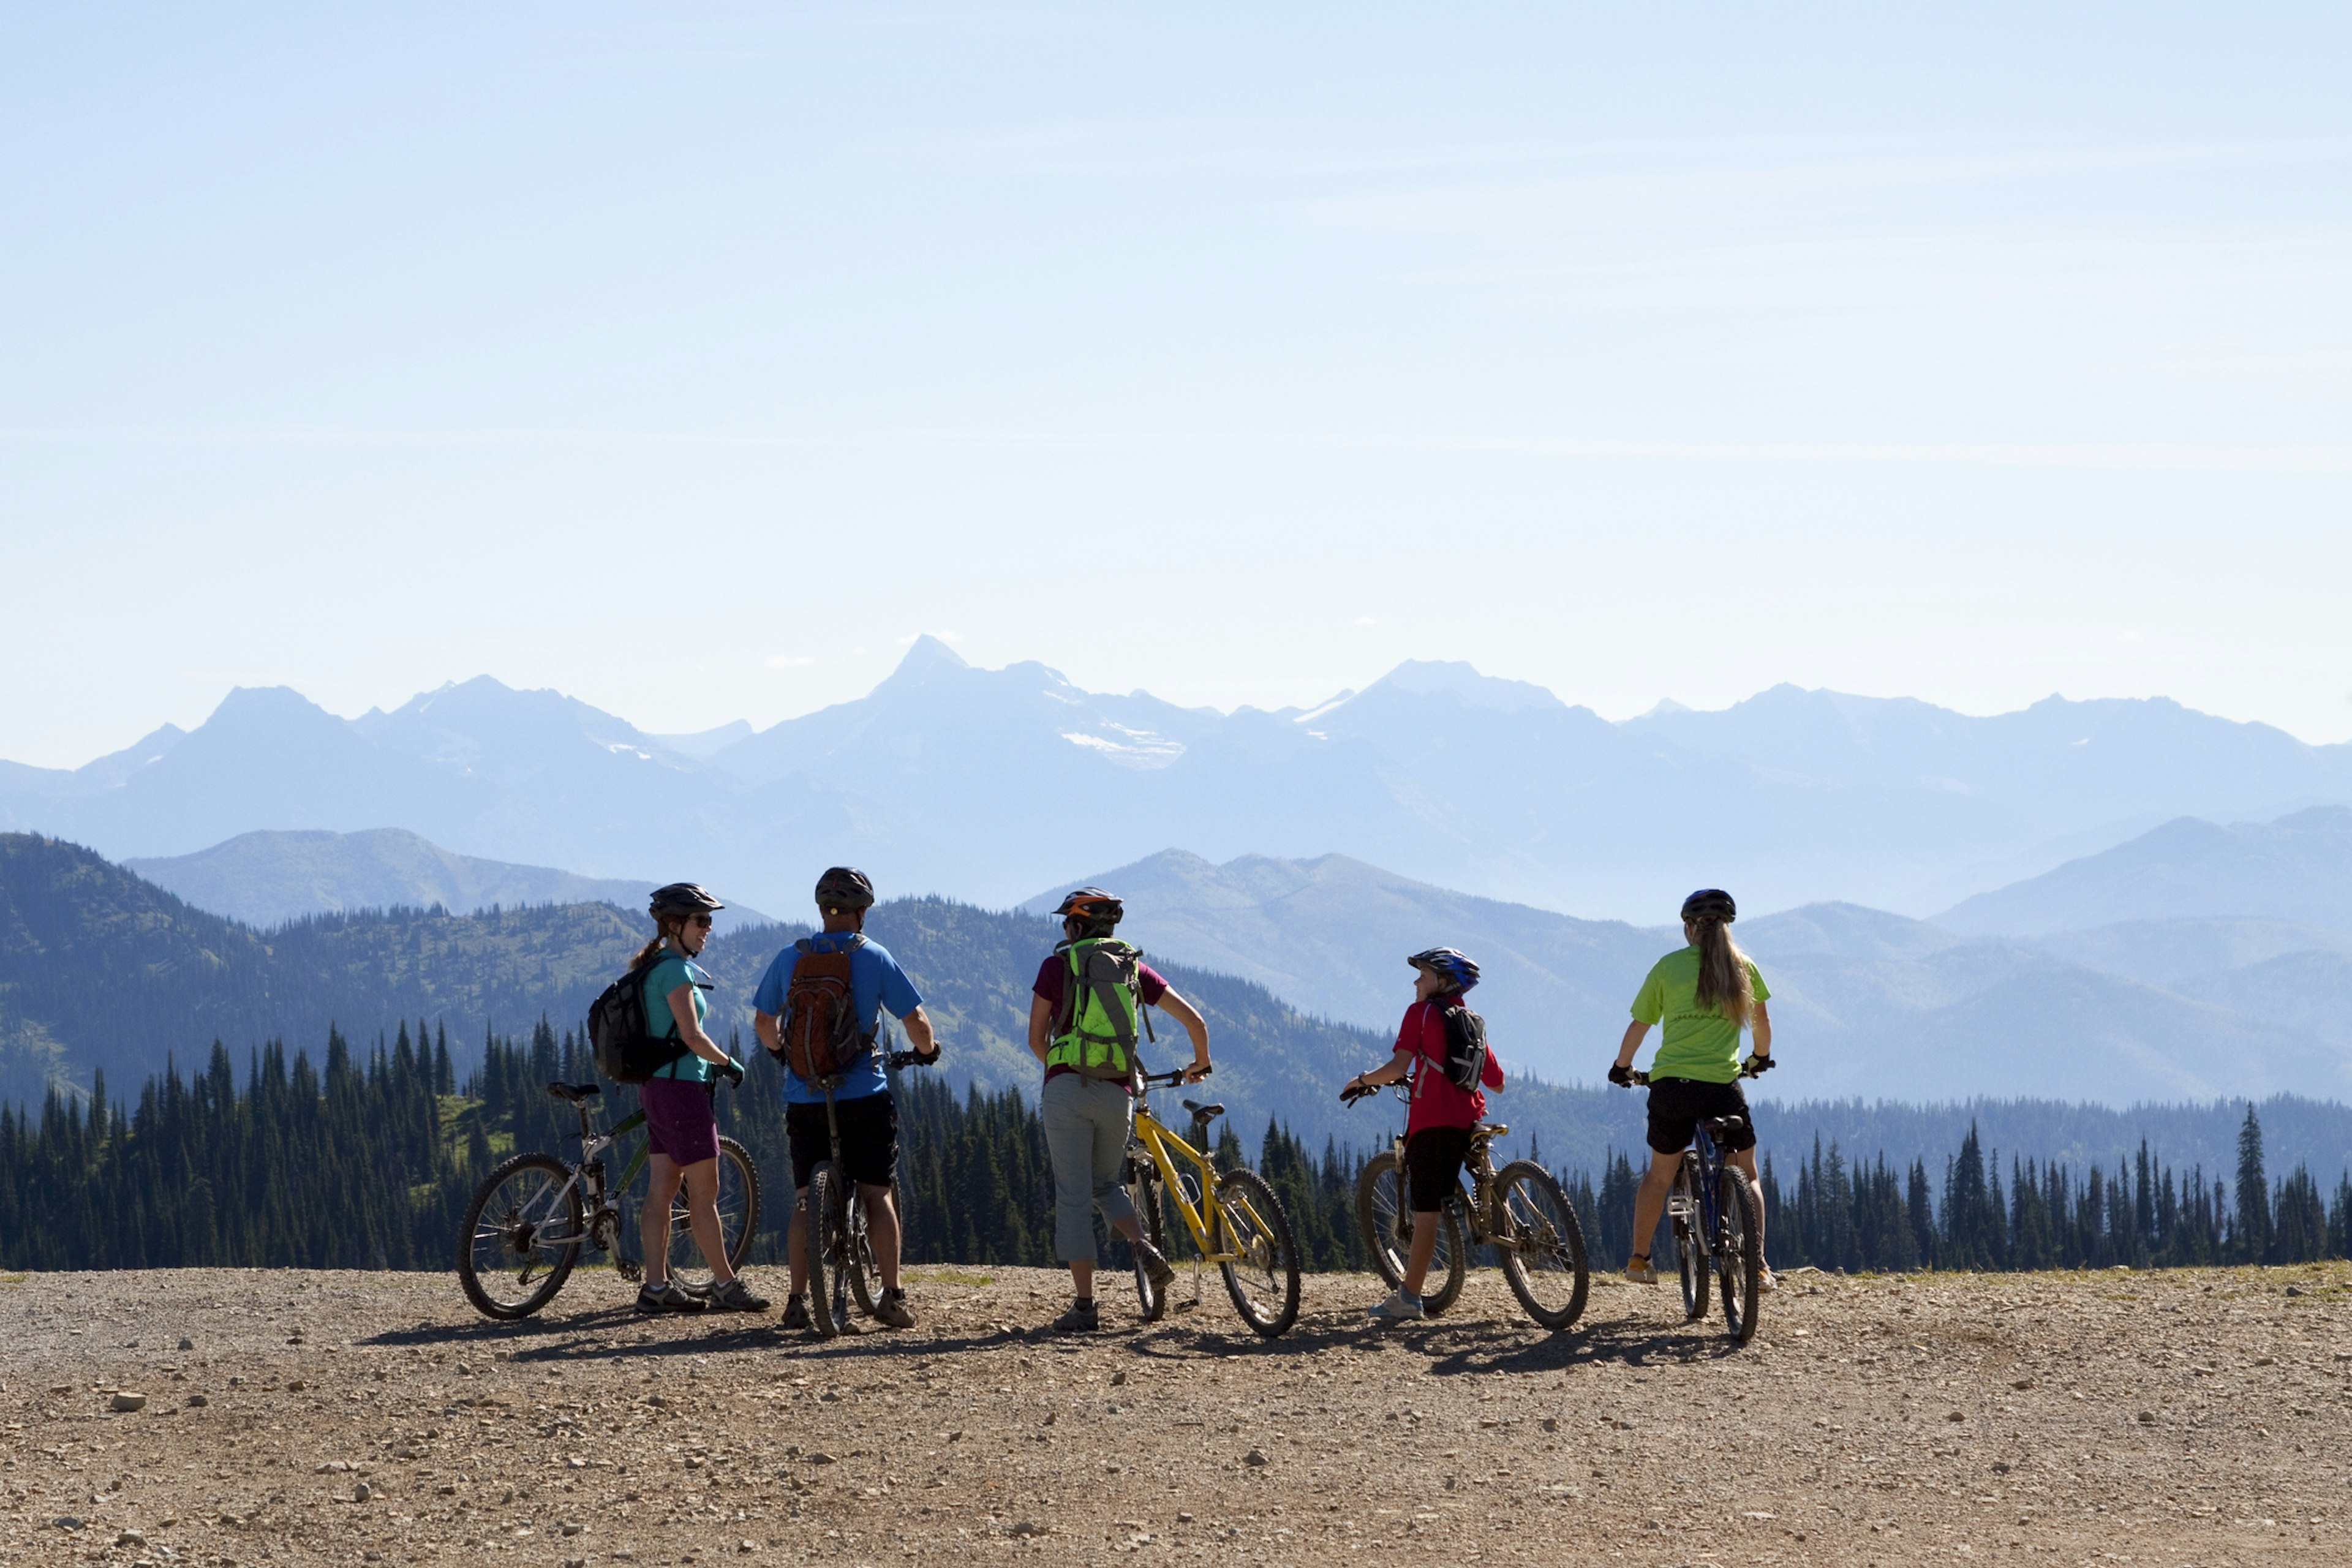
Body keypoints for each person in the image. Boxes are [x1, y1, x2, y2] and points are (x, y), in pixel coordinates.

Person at [753, 867, 938, 1331]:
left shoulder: (789, 958)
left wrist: (783, 1056)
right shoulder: (872, 955)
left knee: (803, 1201)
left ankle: (796, 1302)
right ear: (861, 913)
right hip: (862, 1095)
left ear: (821, 911)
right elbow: (915, 1020)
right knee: (877, 1195)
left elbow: (763, 1023)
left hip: (805, 1097)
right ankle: (892, 1298)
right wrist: (927, 1051)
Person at [1028, 888, 1210, 1333]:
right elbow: (1195, 1021)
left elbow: (1036, 1039)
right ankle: (1143, 1243)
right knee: (1107, 1183)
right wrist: (1199, 1062)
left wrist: (1064, 1069)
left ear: (1075, 926)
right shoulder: (1133, 968)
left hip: (1066, 1089)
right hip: (1118, 1092)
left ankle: (1085, 1307)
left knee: (1074, 1194)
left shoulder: (1057, 965)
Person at [1608, 888, 1776, 1290]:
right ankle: (1757, 1264)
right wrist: (1757, 1059)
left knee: (1659, 1175)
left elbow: (1639, 1026)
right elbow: (1763, 1026)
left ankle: (1638, 1259)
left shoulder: (1668, 967)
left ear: (1688, 928)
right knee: (1746, 1173)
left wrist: (1622, 1067)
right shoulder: (1744, 968)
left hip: (1672, 1087)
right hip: (1722, 1085)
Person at [1341, 947, 1506, 1322]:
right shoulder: (1470, 1020)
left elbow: (1399, 1065)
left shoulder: (1420, 1013)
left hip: (1433, 1122)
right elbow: (1496, 1082)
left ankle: (1409, 1298)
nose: (1416, 981)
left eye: (1424, 975)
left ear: (1442, 983)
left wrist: (1362, 1080)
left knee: (1426, 1210)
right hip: (1470, 1119)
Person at [633, 882, 769, 1314]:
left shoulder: (655, 966)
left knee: (662, 1190)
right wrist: (728, 1062)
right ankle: (726, 1285)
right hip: (682, 1092)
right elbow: (691, 1035)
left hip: (657, 1088)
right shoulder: (674, 970)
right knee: (704, 1193)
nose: (708, 929)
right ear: (675, 925)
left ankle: (656, 1287)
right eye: (701, 921)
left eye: (709, 921)